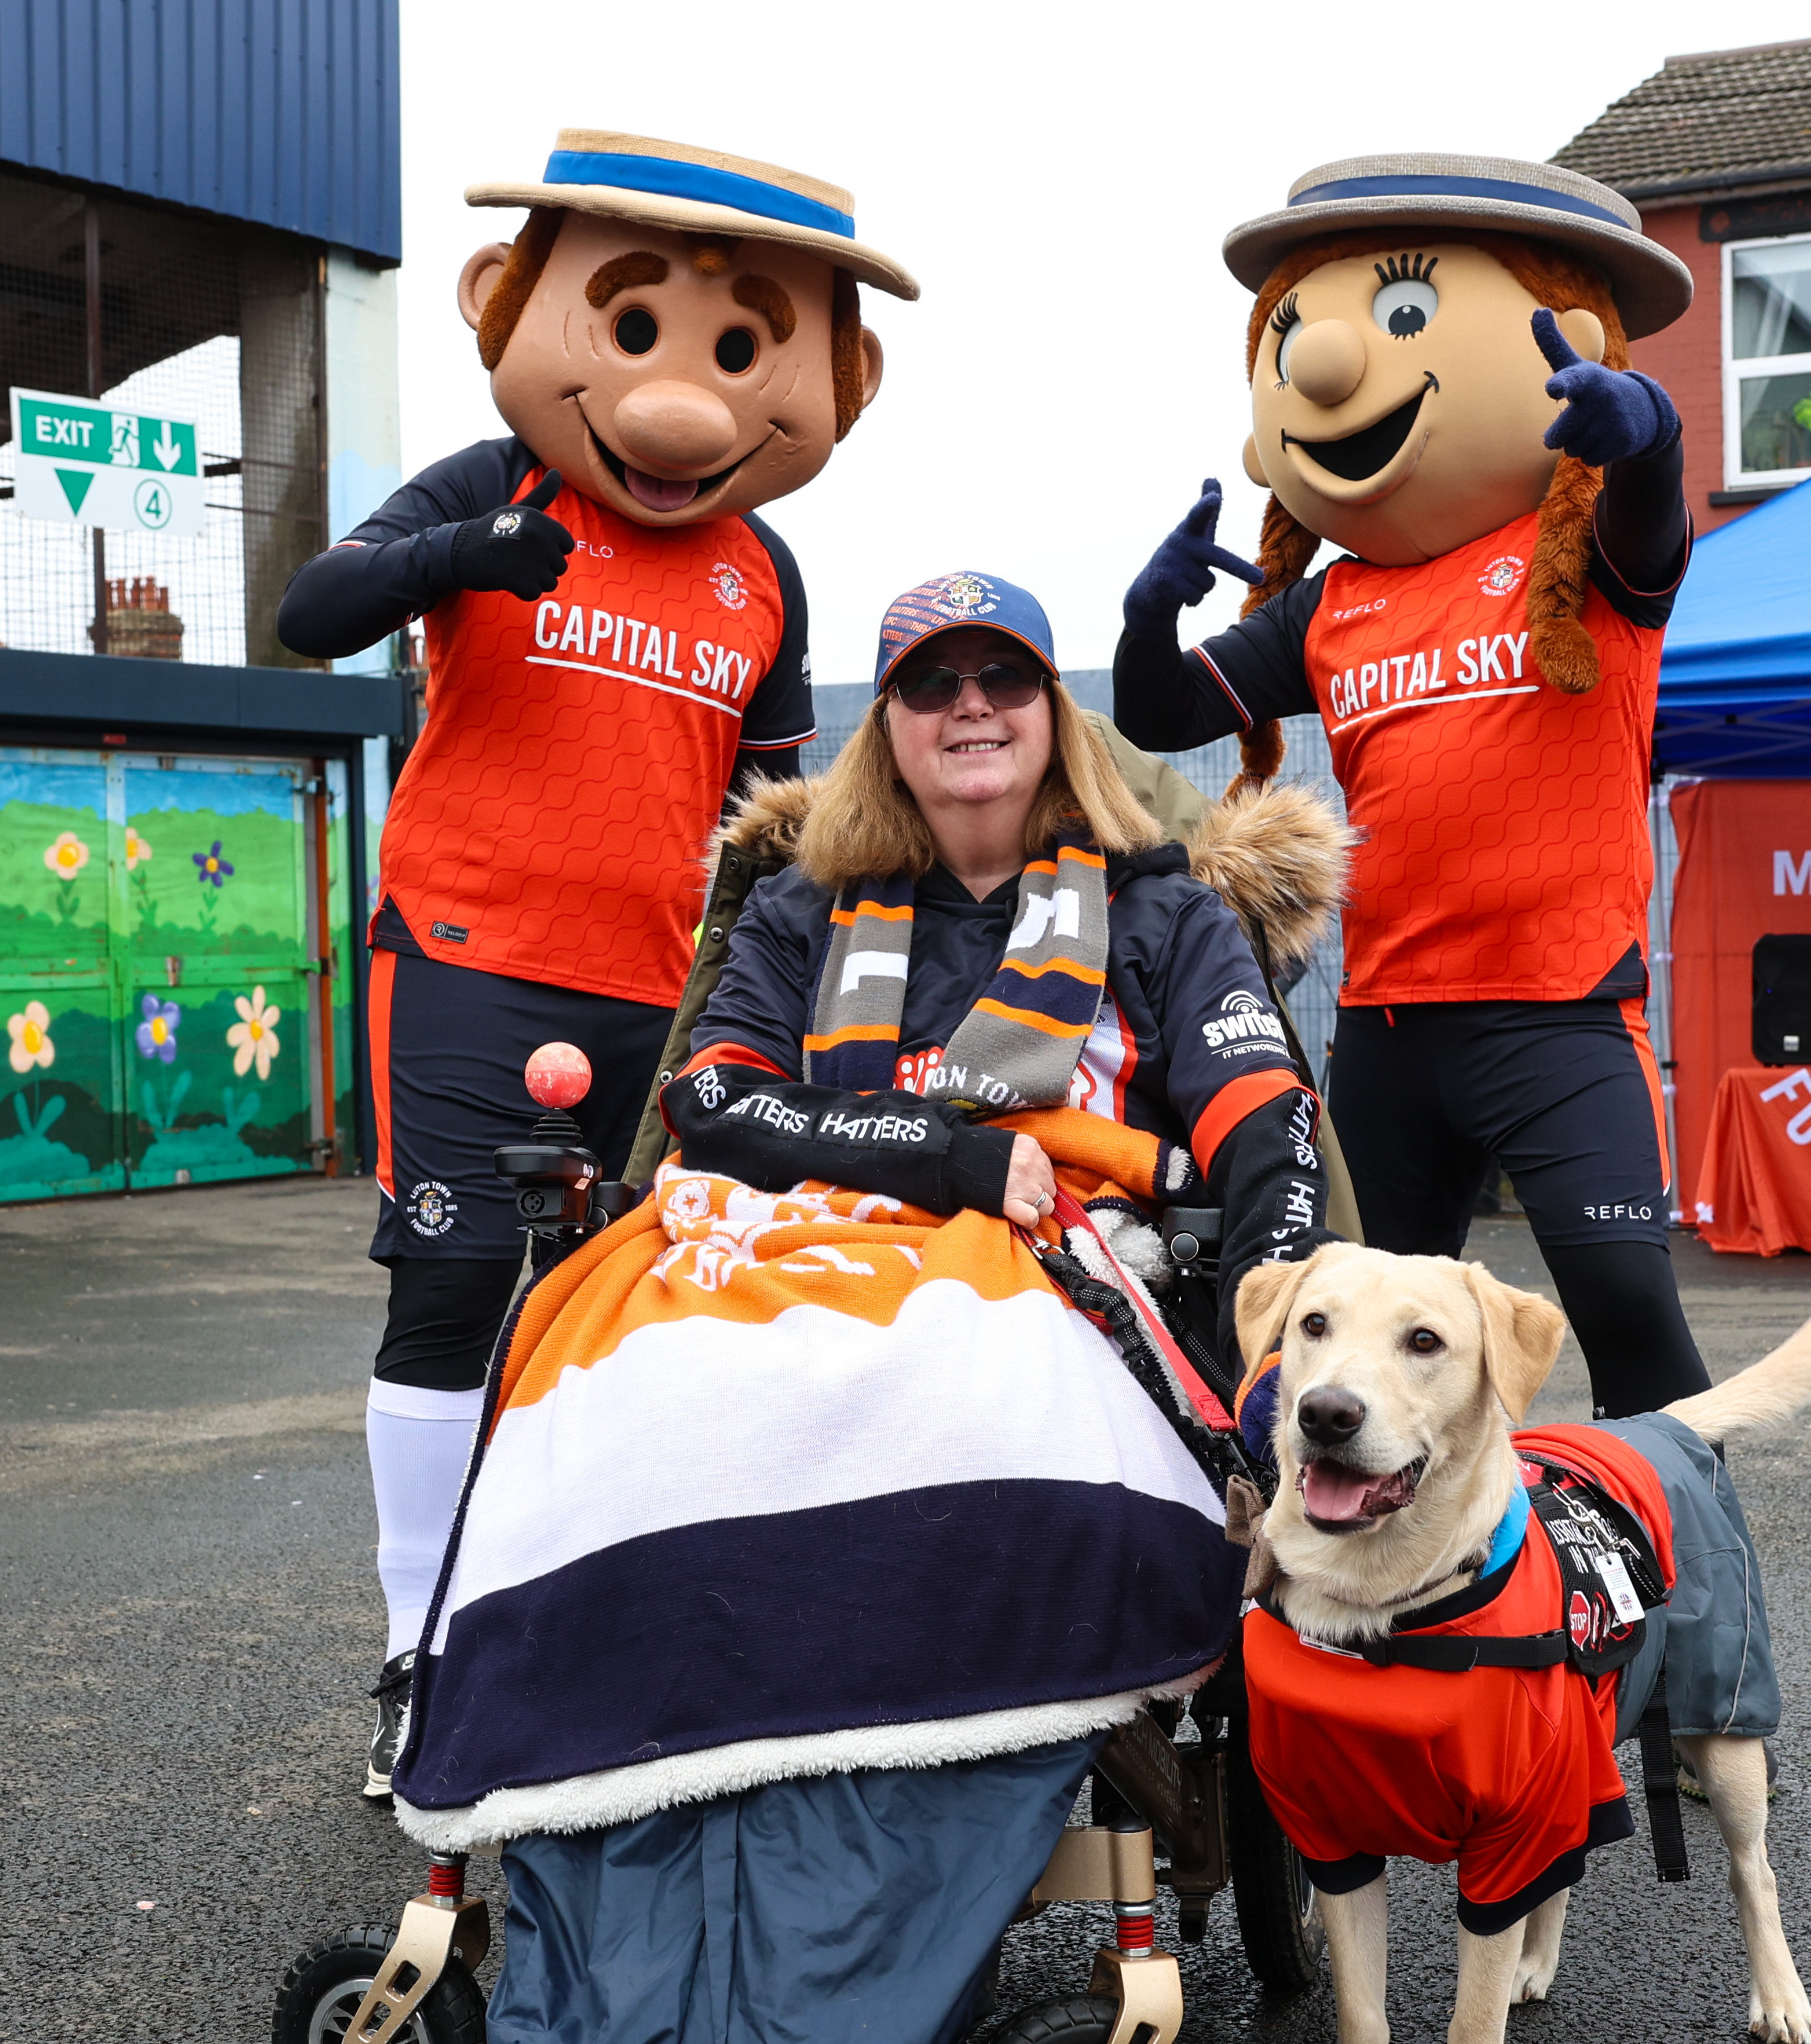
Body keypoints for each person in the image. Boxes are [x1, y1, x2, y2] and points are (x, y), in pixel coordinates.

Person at [271, 132, 911, 1792]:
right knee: (454, 1288)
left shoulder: (762, 569)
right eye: (634, 335)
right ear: (518, 309)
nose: (680, 403)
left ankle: (568, 1624)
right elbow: (308, 609)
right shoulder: (492, 481)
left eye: (740, 351)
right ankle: (420, 1652)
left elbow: (773, 815)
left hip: (650, 991)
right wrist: (451, 561)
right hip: (470, 952)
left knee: (613, 1311)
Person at [1111, 154, 1713, 1415]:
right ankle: (1397, 1583)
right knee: (1365, 1342)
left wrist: (1644, 431)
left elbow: (1652, 514)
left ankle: (1686, 1592)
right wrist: (1144, 619)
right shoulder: (1335, 600)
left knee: (1622, 1311)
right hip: (1388, 1025)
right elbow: (1161, 712)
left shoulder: (1578, 552)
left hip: (1556, 1009)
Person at [664, 571, 1333, 1298]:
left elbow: (1264, 1130)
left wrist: (1271, 1331)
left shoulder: (1166, 911)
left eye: (1006, 676)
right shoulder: (794, 909)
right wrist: (943, 1153)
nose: (971, 703)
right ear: (884, 726)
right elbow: (715, 1103)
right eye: (929, 683)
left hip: (1087, 1297)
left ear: (1054, 714)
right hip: (819, 1279)